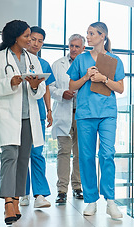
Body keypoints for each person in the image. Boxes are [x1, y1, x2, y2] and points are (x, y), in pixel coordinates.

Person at [0, 20, 46, 225]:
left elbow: (42, 90)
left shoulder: (33, 59)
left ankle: (17, 200)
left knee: (23, 159)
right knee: (9, 156)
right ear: (15, 37)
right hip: (8, 116)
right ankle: (8, 202)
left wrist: (36, 86)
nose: (30, 40)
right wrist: (9, 82)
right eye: (27, 36)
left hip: (28, 117)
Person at [67, 22, 124, 219]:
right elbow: (72, 85)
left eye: (91, 34)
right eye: (87, 33)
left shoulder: (114, 59)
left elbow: (120, 88)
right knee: (86, 157)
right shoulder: (81, 59)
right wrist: (86, 76)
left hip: (107, 113)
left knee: (107, 154)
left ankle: (110, 201)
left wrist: (103, 79)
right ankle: (91, 200)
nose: (88, 37)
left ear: (103, 36)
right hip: (85, 114)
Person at [18, 26, 56, 208]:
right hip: (18, 112)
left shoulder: (44, 64)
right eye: (33, 39)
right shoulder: (17, 61)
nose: (36, 43)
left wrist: (49, 110)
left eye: (40, 41)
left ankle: (39, 194)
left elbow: (47, 88)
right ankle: (23, 192)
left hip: (38, 112)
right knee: (21, 154)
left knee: (37, 153)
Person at [49, 34, 85, 204]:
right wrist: (62, 93)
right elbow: (50, 88)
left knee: (79, 153)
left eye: (77, 46)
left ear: (83, 48)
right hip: (63, 113)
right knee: (63, 152)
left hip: (83, 115)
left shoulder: (88, 64)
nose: (73, 49)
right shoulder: (58, 65)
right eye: (71, 46)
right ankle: (62, 190)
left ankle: (77, 187)